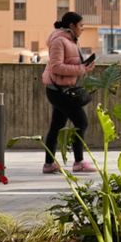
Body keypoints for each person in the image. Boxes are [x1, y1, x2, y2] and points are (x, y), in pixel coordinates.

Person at [41, 11, 96, 173]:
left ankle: (49, 164)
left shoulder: (71, 41)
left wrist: (84, 67)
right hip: (58, 91)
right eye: (81, 25)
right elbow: (56, 67)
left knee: (57, 126)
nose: (83, 28)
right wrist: (81, 69)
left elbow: (69, 64)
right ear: (72, 26)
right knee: (81, 122)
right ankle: (78, 162)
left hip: (62, 90)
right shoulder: (59, 41)